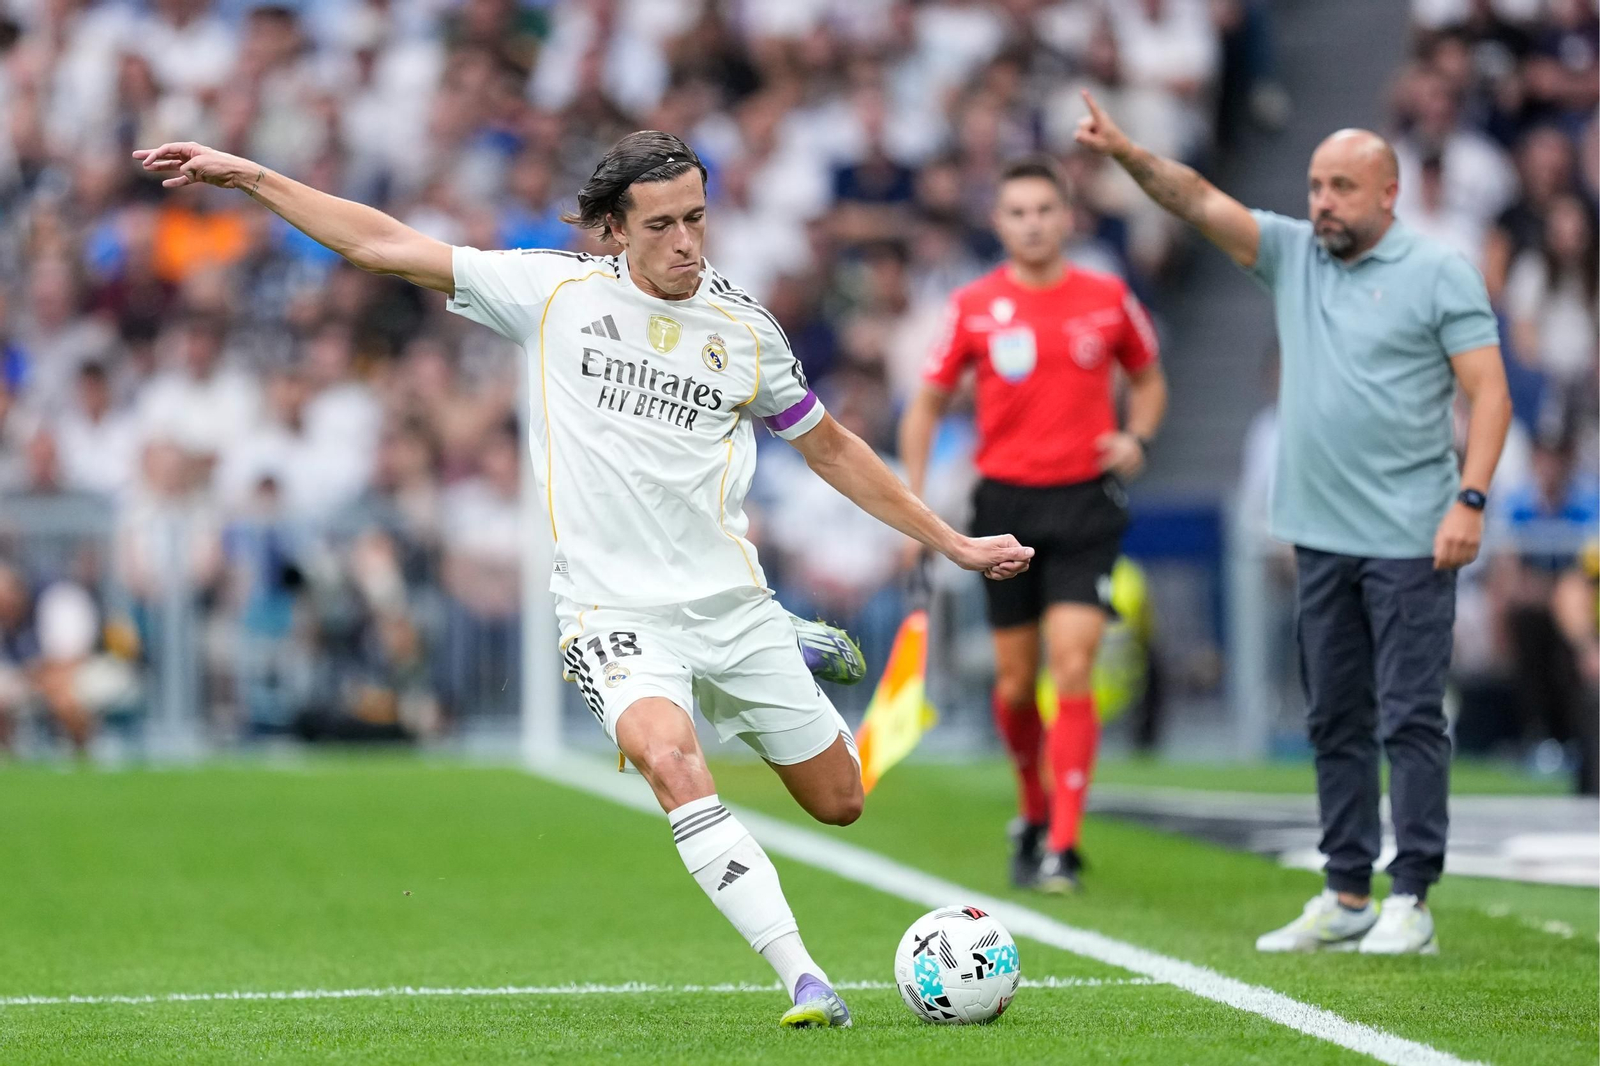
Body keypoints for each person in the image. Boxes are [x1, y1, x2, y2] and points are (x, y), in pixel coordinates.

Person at [133, 130, 1034, 1027]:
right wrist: (250, 175)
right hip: (611, 608)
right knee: (670, 761)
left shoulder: (746, 330)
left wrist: (948, 539)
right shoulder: (553, 292)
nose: (686, 242)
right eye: (662, 226)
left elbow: (832, 449)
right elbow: (382, 245)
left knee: (840, 801)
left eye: (697, 219)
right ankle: (804, 978)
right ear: (612, 230)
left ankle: (778, 640)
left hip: (731, 603)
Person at [1074, 91, 1511, 954]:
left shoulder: (1438, 269)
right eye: (1315, 185)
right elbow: (1196, 198)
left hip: (1414, 533)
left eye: (1343, 187)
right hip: (1319, 534)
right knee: (1334, 717)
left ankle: (1412, 898)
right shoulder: (1294, 255)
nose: (1322, 202)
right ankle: (1347, 891)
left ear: (1388, 194)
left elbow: (1488, 389)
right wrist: (1125, 150)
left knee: (1412, 716)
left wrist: (1471, 498)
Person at [900, 157, 1168, 894]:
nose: (1033, 223)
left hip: (1086, 502)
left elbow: (1148, 376)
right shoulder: (973, 305)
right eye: (1017, 212)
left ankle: (1065, 845)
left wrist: (1137, 439)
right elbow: (924, 405)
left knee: (1073, 663)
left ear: (1067, 216)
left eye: (1045, 209)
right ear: (999, 222)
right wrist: (915, 507)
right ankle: (1031, 808)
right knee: (1017, 684)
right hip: (1005, 511)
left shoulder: (1108, 298)